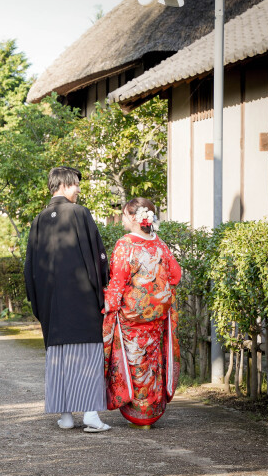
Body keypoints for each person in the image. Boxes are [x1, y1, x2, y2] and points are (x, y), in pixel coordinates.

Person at [24, 166, 111, 433]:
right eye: (76, 184)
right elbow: (96, 257)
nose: (78, 189)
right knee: (87, 355)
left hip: (51, 301)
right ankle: (91, 415)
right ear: (64, 185)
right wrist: (102, 290)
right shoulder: (79, 213)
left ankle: (66, 416)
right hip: (81, 298)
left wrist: (39, 302)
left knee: (59, 356)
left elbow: (30, 268)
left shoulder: (39, 219)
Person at [102, 198, 182, 429]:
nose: (122, 219)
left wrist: (108, 306)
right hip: (156, 315)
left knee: (135, 360)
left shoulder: (126, 244)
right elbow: (175, 274)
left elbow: (117, 281)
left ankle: (139, 414)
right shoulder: (159, 244)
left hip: (133, 317)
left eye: (124, 215)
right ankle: (151, 412)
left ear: (134, 218)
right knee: (152, 360)